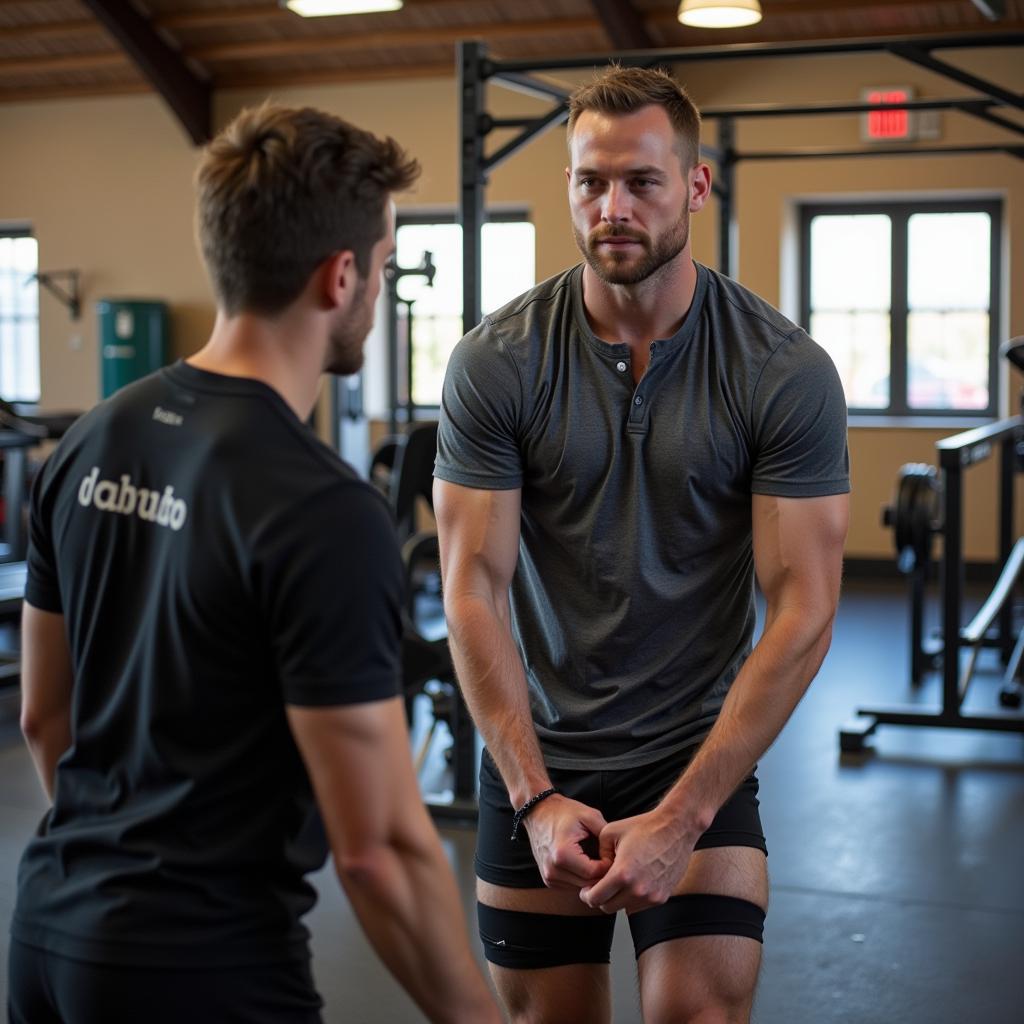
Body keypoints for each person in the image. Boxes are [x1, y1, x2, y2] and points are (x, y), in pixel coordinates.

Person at [9, 103, 501, 1024]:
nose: (379, 290)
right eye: (384, 268)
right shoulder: (323, 510)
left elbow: (45, 715)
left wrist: (113, 862)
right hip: (198, 965)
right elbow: (378, 851)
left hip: (46, 928)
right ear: (340, 275)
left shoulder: (88, 442)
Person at [434, 66, 850, 1024]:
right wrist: (534, 797)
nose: (612, 206)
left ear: (695, 187)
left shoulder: (780, 371)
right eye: (590, 181)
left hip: (692, 750)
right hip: (537, 754)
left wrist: (686, 813)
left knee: (697, 1014)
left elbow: (805, 609)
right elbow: (472, 587)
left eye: (642, 182)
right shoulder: (497, 362)